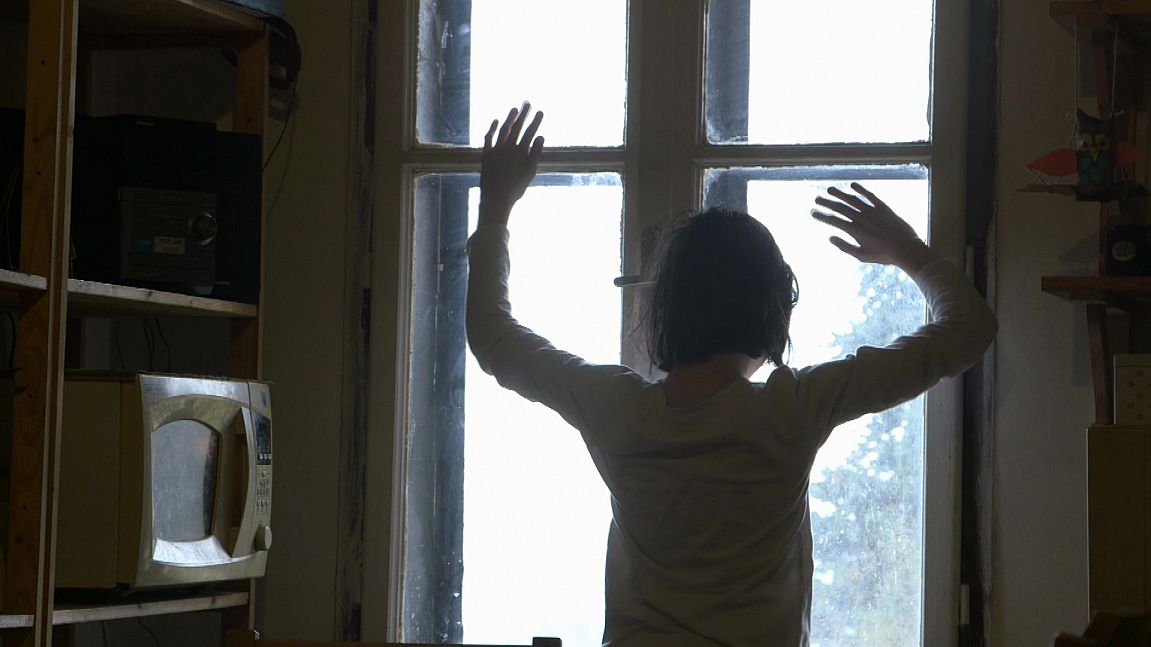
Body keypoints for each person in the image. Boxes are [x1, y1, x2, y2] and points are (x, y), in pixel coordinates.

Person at [466, 103, 997, 647]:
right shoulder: (792, 410)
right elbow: (969, 329)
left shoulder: (615, 409)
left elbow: (493, 337)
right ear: (773, 311)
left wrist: (494, 209)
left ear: (666, 308)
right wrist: (908, 251)